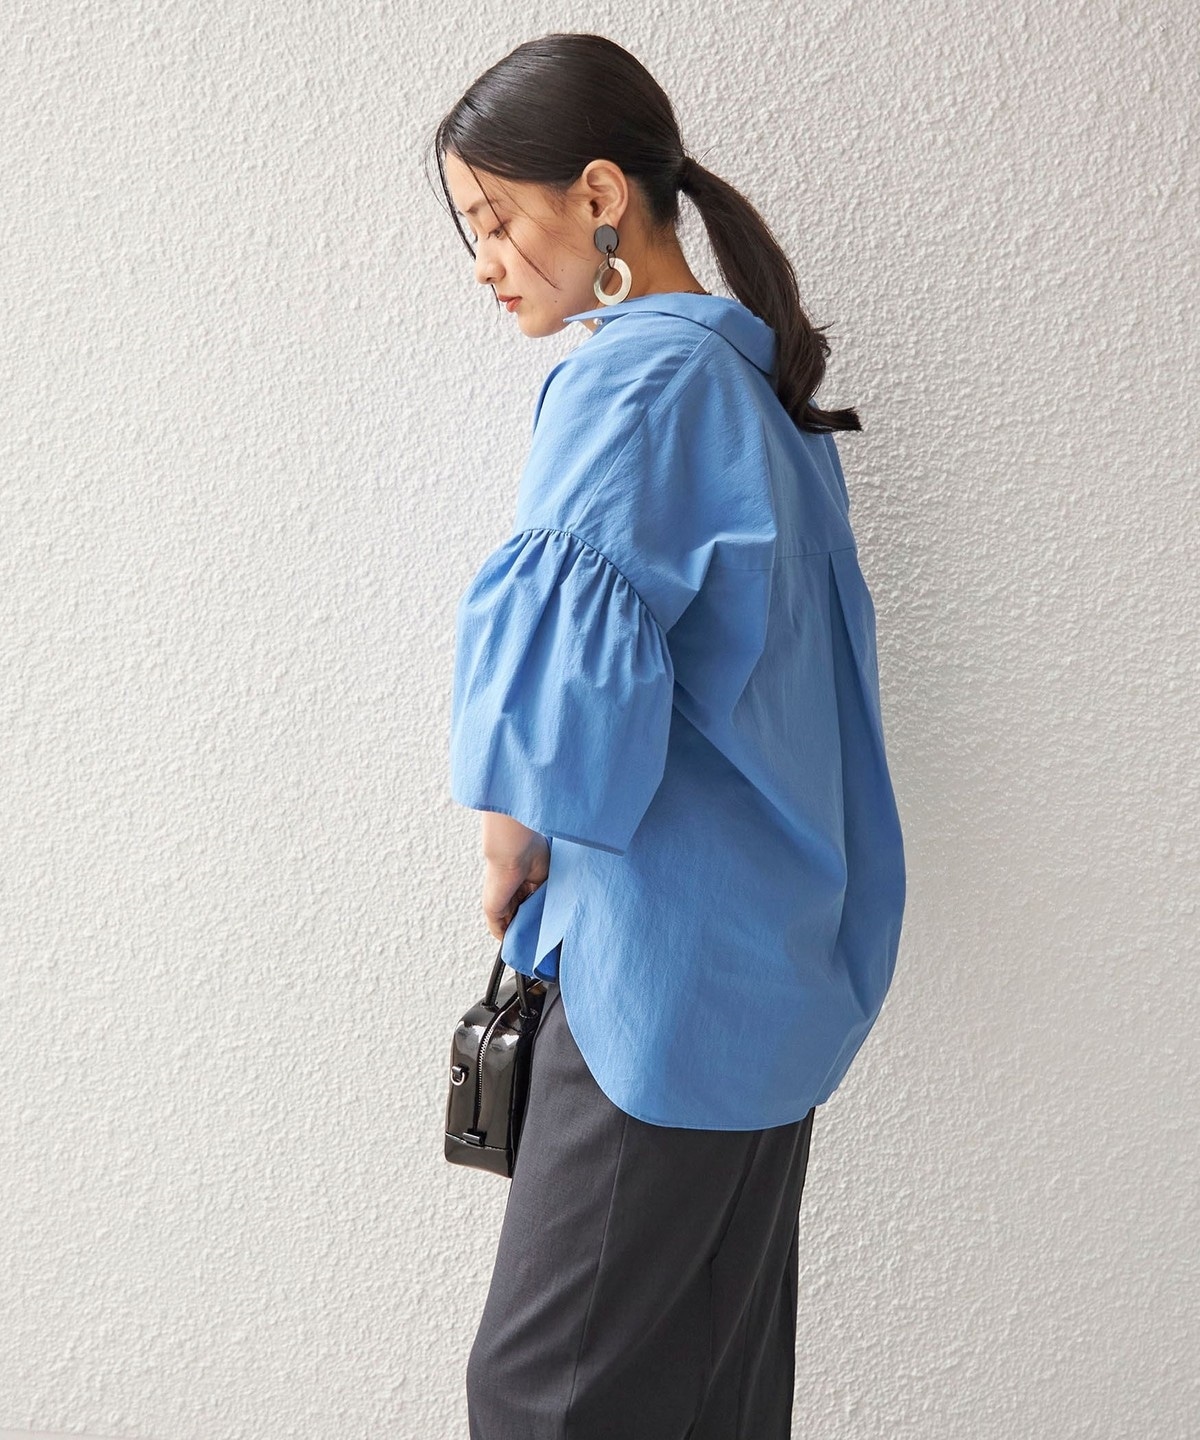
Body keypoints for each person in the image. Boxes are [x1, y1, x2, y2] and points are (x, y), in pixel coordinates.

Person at [431, 32, 906, 1440]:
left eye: (494, 220)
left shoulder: (636, 380)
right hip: (771, 975)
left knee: (541, 1398)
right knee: (714, 1395)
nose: (484, 264)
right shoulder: (761, 395)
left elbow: (562, 679)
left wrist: (508, 836)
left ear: (597, 195)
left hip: (657, 979)